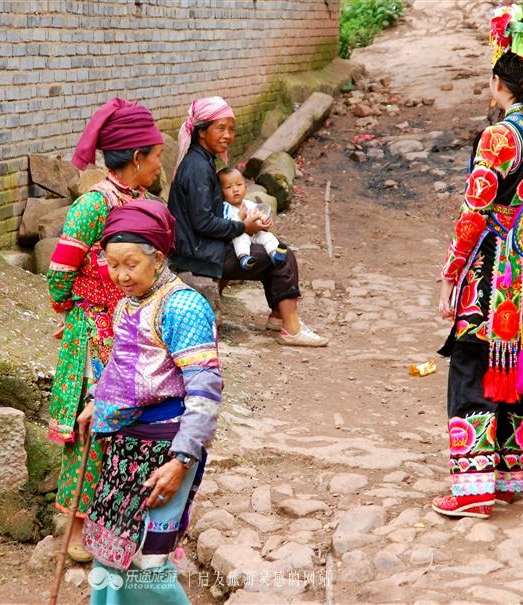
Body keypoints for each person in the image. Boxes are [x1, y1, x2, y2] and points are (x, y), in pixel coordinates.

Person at [433, 5, 523, 519]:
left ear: (499, 82)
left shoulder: (501, 136)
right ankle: (508, 474)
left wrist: (449, 275)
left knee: (472, 366)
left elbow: (473, 215)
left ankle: (472, 491)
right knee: (509, 367)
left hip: (490, 273)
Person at [76, 199, 221, 604]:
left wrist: (181, 460)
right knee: (110, 551)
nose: (120, 275)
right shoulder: (126, 306)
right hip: (126, 446)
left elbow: (205, 389)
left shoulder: (184, 306)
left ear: (157, 258)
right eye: (112, 264)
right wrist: (97, 402)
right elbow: (119, 371)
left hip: (166, 448)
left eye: (131, 264)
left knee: (147, 562)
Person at [46, 97, 165, 561]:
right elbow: (59, 273)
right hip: (95, 335)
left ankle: (119, 520)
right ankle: (77, 531)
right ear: (136, 157)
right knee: (90, 425)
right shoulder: (91, 207)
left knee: (133, 426)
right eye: (155, 155)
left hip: (137, 331)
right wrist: (76, 312)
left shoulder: (144, 204)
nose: (159, 163)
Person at [168, 96, 328, 347]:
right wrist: (244, 227)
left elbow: (208, 215)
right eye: (220, 128)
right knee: (282, 256)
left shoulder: (202, 160)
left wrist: (243, 219)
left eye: (231, 129)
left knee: (271, 248)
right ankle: (292, 329)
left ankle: (278, 317)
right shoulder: (198, 167)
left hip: (199, 246)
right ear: (201, 132)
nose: (227, 135)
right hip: (198, 253)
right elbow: (203, 223)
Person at [218, 166, 288, 270]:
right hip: (240, 234)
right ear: (221, 192)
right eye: (228, 187)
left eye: (239, 185)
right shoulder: (226, 208)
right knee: (240, 239)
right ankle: (244, 258)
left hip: (256, 233)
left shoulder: (249, 204)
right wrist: (239, 217)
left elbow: (259, 215)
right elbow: (229, 228)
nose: (235, 189)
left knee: (268, 236)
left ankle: (274, 254)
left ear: (245, 188)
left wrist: (265, 221)